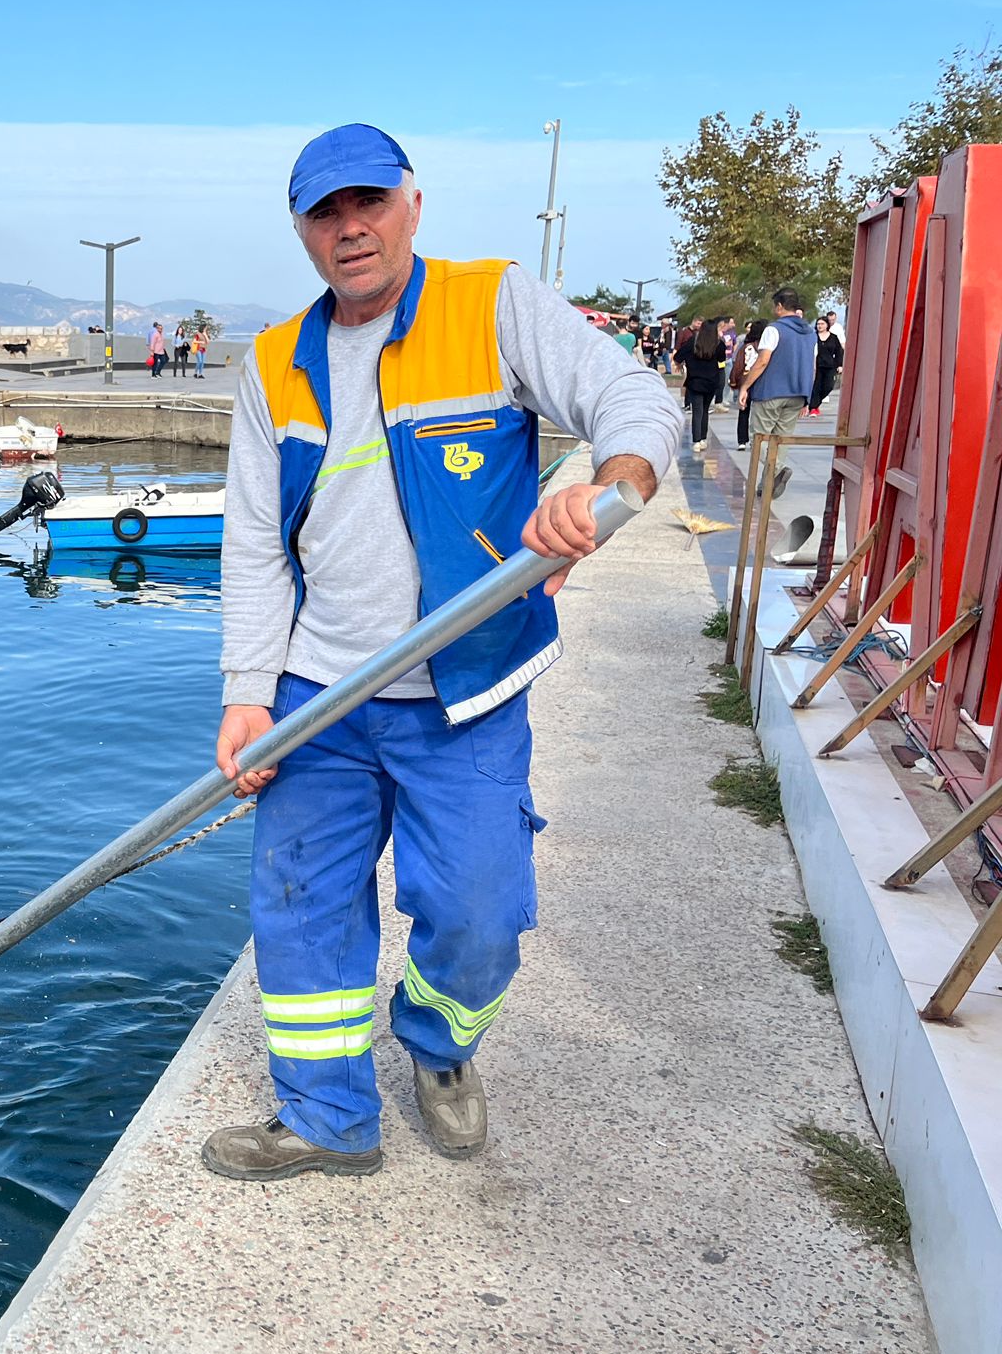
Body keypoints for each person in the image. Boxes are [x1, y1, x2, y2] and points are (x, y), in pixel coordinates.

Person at [204, 122, 678, 1181]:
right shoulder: (272, 364)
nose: (350, 229)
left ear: (412, 205)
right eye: (324, 213)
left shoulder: (490, 303)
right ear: (300, 231)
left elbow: (634, 400)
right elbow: (253, 543)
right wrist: (247, 693)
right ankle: (325, 1116)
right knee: (300, 909)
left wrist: (605, 487)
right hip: (317, 698)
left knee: (478, 910)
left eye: (368, 203)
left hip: (465, 687)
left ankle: (437, 1042)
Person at [736, 289, 813, 442]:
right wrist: (808, 396)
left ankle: (769, 460)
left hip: (770, 392)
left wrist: (745, 387)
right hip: (798, 393)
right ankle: (779, 459)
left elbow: (762, 361)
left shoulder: (773, 329)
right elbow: (813, 366)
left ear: (779, 306)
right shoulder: (810, 333)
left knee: (760, 439)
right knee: (782, 440)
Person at [683, 318, 726, 453]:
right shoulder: (719, 344)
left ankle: (696, 441)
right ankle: (703, 438)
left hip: (695, 381)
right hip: (711, 381)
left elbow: (679, 356)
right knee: (705, 410)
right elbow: (722, 359)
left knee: (697, 411)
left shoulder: (693, 341)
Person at [731, 318, 765, 448]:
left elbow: (738, 365)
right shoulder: (767, 347)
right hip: (762, 381)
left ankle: (742, 440)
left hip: (746, 380)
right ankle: (756, 439)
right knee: (759, 412)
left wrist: (735, 381)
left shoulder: (746, 347)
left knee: (744, 411)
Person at [808, 315, 843, 416]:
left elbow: (839, 352)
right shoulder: (813, 337)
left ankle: (815, 404)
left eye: (822, 324)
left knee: (828, 386)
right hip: (817, 366)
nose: (820, 326)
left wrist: (840, 365)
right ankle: (813, 408)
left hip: (830, 366)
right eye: (818, 324)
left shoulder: (833, 337)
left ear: (827, 325)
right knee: (816, 387)